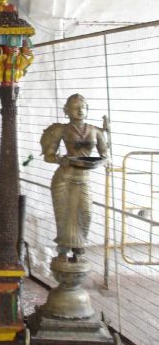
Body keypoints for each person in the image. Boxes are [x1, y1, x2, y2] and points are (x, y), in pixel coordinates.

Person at [40, 94, 107, 260]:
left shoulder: (95, 131)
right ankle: (63, 248)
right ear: (66, 110)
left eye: (83, 107)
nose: (80, 110)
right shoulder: (60, 129)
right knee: (63, 214)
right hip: (64, 178)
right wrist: (59, 159)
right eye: (75, 107)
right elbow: (48, 156)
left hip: (84, 177)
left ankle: (79, 246)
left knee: (85, 212)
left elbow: (105, 155)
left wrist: (100, 162)